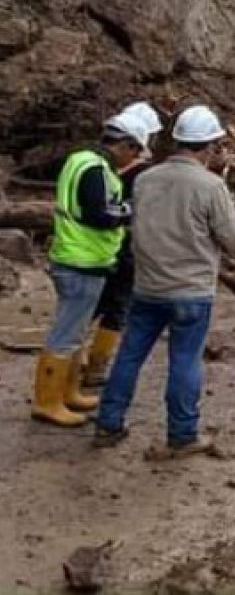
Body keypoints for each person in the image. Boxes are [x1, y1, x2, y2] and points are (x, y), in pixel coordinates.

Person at [95, 105, 235, 455]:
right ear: (207, 146)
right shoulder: (212, 186)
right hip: (192, 290)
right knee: (185, 361)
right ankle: (181, 435)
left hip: (147, 286)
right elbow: (233, 241)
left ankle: (108, 424)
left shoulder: (146, 178)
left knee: (129, 356)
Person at [33, 115, 148, 427]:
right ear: (125, 145)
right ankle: (47, 401)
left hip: (79, 257)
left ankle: (67, 392)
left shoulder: (80, 160)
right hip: (81, 260)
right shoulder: (96, 170)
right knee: (66, 334)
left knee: (75, 332)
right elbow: (100, 214)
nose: (134, 160)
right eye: (134, 152)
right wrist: (130, 211)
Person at [82, 102, 165, 388]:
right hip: (124, 248)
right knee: (116, 308)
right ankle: (96, 367)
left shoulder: (102, 167)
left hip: (98, 249)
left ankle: (76, 359)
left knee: (91, 307)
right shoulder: (141, 173)